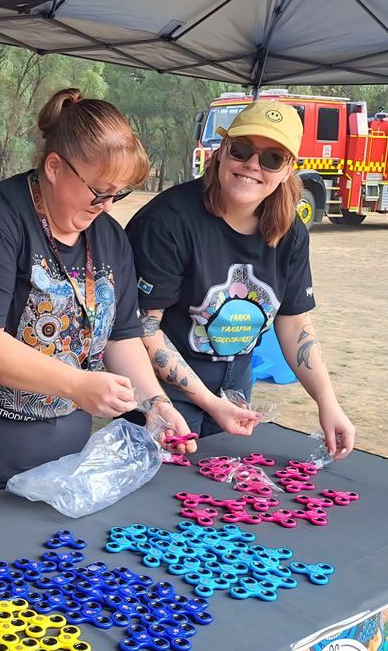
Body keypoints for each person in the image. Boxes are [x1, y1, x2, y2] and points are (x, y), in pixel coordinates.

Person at [0, 88, 201, 494]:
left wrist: (156, 405)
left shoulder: (109, 236)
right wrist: (77, 385)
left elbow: (122, 334)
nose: (108, 205)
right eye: (99, 191)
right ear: (55, 167)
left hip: (62, 467)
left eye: (119, 194)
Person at [126, 100, 355, 457]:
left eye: (272, 159)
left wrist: (328, 402)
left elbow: (295, 326)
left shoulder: (291, 232)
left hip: (236, 389)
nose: (252, 165)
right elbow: (142, 328)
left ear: (288, 170)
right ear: (221, 152)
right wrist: (205, 401)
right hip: (163, 392)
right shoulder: (168, 221)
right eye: (242, 150)